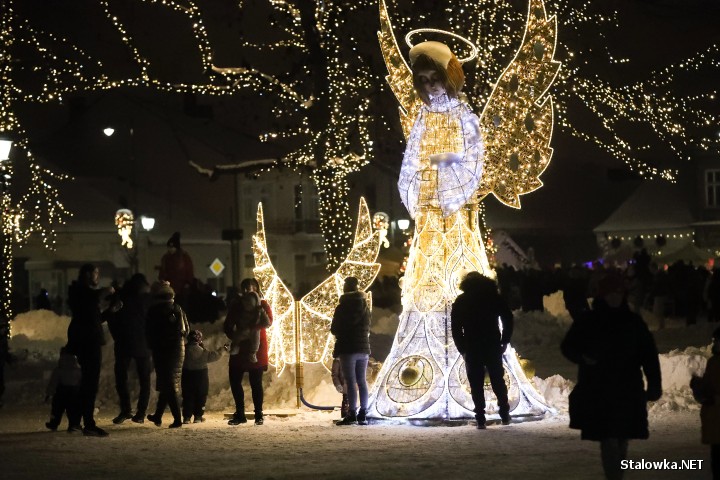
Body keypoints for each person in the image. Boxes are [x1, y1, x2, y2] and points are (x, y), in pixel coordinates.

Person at [561, 272, 662, 480]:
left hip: (627, 388)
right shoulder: (589, 320)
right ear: (602, 295)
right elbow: (568, 346)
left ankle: (617, 474)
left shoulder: (633, 321)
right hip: (600, 390)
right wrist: (583, 357)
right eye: (611, 293)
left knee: (622, 437)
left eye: (618, 293)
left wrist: (654, 385)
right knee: (608, 438)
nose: (615, 297)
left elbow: (649, 355)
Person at [451, 272, 513, 429]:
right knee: (497, 379)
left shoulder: (462, 300)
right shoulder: (493, 297)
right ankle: (504, 414)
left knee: (476, 383)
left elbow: (456, 328)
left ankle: (480, 418)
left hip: (472, 345)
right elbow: (508, 317)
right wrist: (504, 340)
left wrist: (462, 348)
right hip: (492, 343)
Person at [66, 263, 116, 437]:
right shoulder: (80, 291)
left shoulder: (84, 295)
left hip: (87, 340)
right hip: (87, 342)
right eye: (96, 273)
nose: (97, 276)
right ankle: (87, 423)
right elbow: (88, 301)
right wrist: (105, 291)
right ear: (87, 274)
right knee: (88, 383)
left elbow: (93, 319)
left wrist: (109, 312)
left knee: (86, 383)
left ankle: (76, 422)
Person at [224, 277, 272, 426]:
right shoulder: (237, 305)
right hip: (240, 346)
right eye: (244, 288)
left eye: (250, 287)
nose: (247, 291)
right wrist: (236, 337)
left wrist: (252, 330)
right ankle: (240, 413)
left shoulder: (262, 304)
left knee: (256, 382)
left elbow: (269, 321)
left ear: (256, 289)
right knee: (235, 379)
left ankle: (259, 414)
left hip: (256, 347)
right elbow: (228, 324)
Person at [107, 273, 152, 424]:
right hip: (142, 344)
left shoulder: (121, 297)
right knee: (144, 379)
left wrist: (117, 337)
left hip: (124, 343)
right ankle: (140, 412)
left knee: (121, 377)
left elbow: (111, 319)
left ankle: (126, 410)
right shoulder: (145, 300)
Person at [146, 282, 189, 429]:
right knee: (167, 382)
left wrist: (153, 344)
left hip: (164, 350)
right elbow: (186, 330)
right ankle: (158, 415)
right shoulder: (177, 308)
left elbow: (150, 331)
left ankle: (178, 419)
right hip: (178, 349)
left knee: (169, 384)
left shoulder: (156, 310)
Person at [331, 276, 371, 426]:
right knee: (362, 381)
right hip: (363, 348)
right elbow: (367, 326)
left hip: (348, 348)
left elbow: (334, 329)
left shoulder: (342, 307)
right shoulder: (365, 306)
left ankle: (352, 413)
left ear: (345, 288)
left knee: (350, 381)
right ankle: (363, 414)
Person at [690, 327, 720, 480]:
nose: (715, 343)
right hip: (714, 421)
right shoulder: (714, 361)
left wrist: (711, 397)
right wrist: (699, 385)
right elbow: (709, 385)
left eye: (717, 340)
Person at [181, 329, 225, 423]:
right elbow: (213, 356)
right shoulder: (202, 351)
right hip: (201, 375)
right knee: (201, 395)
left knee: (188, 395)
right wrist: (222, 350)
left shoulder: (184, 350)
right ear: (199, 339)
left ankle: (187, 417)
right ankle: (198, 416)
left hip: (187, 375)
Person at [45, 346, 82, 432]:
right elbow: (81, 382)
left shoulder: (59, 369)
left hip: (61, 392)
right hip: (74, 392)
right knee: (73, 410)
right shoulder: (77, 369)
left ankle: (53, 423)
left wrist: (49, 393)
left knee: (56, 409)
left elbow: (53, 382)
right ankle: (73, 424)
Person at [158, 232, 195, 306]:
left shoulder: (183, 257)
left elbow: (189, 270)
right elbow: (163, 270)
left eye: (172, 247)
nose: (170, 249)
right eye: (169, 247)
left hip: (182, 288)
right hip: (170, 287)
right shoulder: (166, 258)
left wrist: (187, 283)